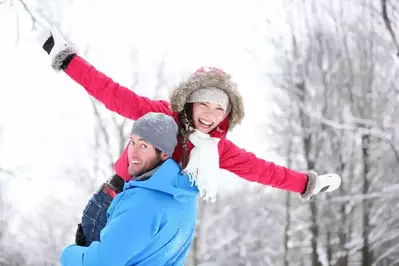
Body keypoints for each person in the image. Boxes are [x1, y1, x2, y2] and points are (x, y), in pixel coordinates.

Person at [37, 28, 342, 246]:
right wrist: (67, 60)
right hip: (114, 201)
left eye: (219, 107)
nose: (210, 113)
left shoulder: (219, 149)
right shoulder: (161, 116)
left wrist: (306, 182)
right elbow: (112, 93)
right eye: (204, 103)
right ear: (190, 101)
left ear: (227, 114)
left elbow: (263, 171)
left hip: (153, 222)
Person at [61, 112, 199, 266]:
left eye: (143, 145)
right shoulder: (184, 195)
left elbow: (99, 263)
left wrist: (70, 253)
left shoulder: (142, 202)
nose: (132, 152)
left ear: (164, 154)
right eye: (132, 142)